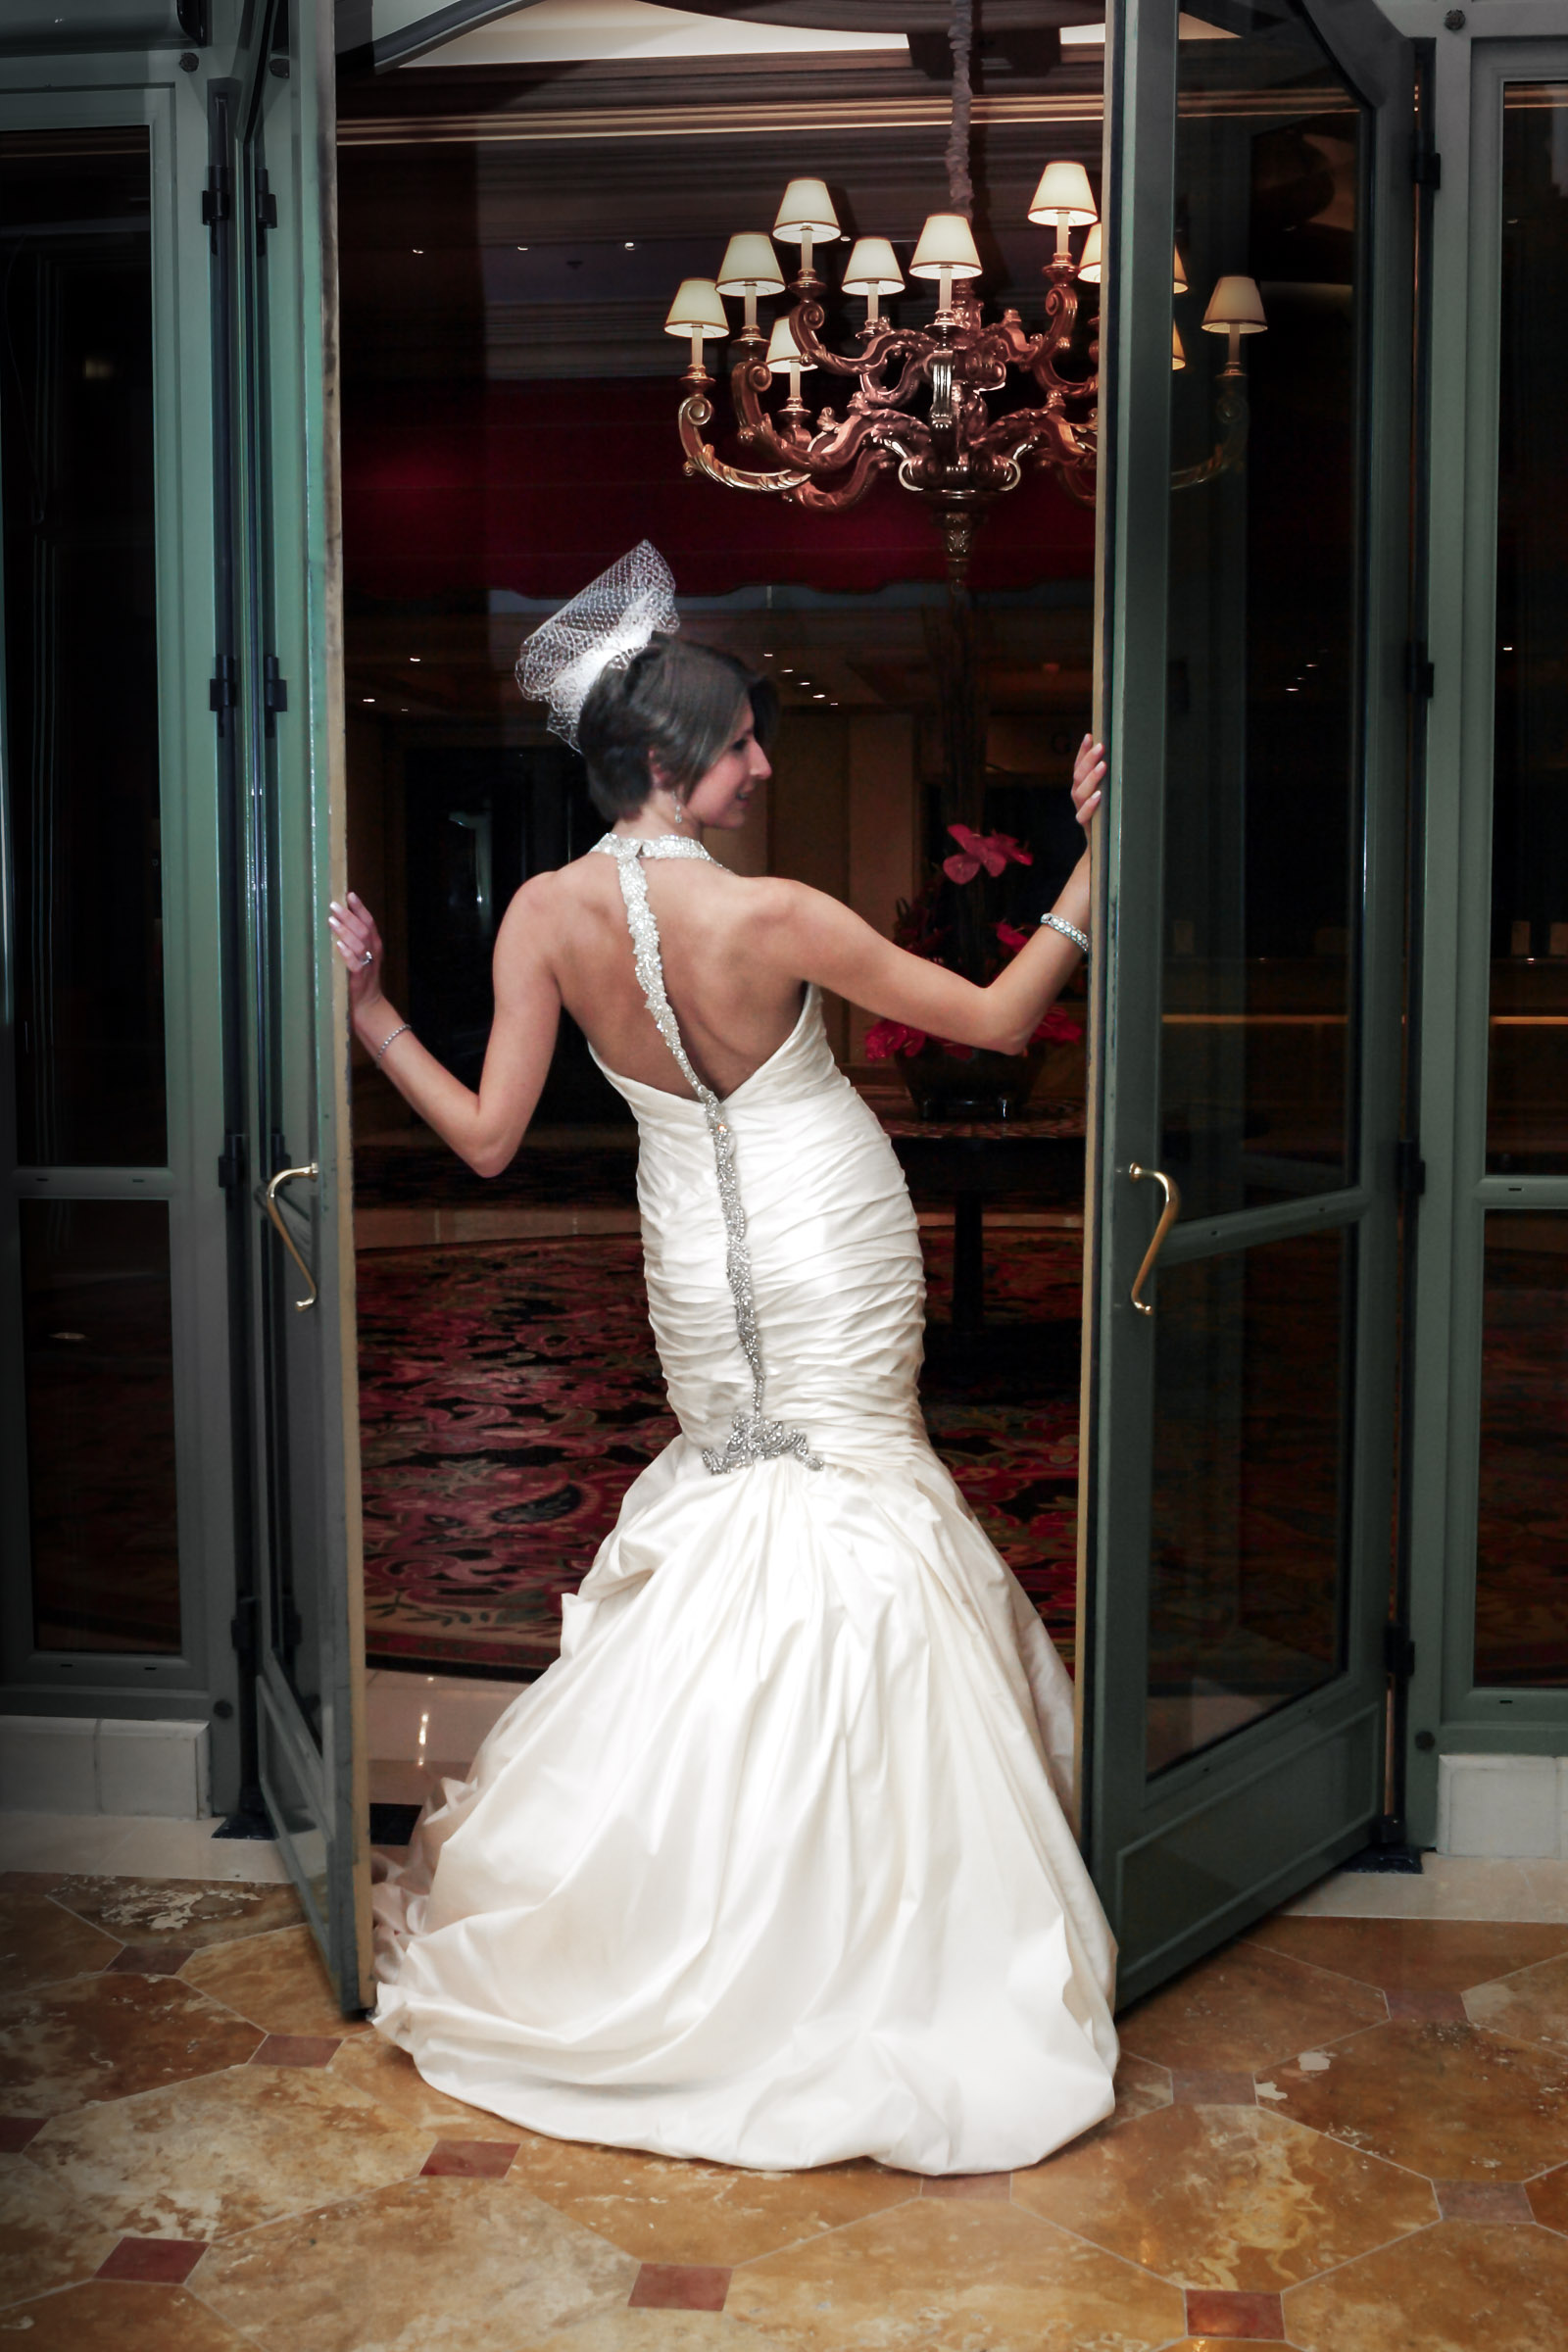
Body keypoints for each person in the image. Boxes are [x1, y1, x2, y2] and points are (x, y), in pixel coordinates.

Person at [328, 543, 1114, 2177]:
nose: (764, 760)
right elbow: (993, 1023)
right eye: (746, 740)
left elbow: (481, 1138)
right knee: (858, 1504)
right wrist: (1090, 872)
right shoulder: (775, 913)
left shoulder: (544, 918)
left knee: (748, 1511)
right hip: (822, 1230)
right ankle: (858, 1917)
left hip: (693, 1251)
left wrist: (372, 1014)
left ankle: (692, 1889)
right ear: (675, 763)